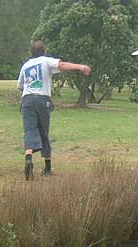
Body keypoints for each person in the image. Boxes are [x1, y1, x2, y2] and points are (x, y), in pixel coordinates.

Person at [17, 41, 91, 180]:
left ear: (30, 52)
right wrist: (81, 66)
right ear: (44, 51)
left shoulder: (25, 65)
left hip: (27, 100)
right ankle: (47, 167)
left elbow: (20, 85)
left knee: (29, 131)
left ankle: (28, 158)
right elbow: (61, 65)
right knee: (44, 132)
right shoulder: (46, 61)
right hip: (42, 100)